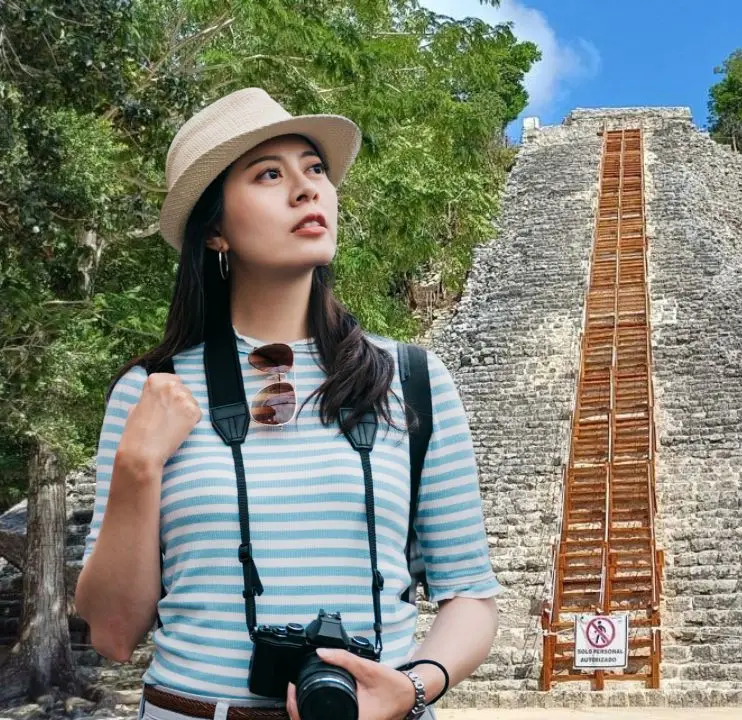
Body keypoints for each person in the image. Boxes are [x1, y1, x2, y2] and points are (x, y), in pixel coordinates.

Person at [74, 87, 501, 720]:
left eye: (315, 170)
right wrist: (139, 466)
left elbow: (469, 594)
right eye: (269, 174)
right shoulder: (151, 391)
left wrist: (415, 685)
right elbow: (111, 633)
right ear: (215, 229)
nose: (307, 190)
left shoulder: (411, 379)